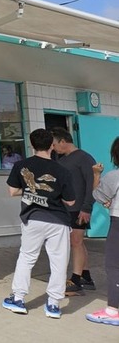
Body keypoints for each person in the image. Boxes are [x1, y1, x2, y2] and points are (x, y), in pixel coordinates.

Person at [3, 128, 75, 319]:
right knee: (59, 261)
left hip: (32, 218)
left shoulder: (21, 165)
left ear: (31, 144)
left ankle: (18, 299)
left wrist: (31, 192)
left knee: (27, 257)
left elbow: (12, 191)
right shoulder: (62, 170)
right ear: (52, 144)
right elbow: (70, 202)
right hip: (58, 221)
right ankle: (53, 305)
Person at [51, 127, 98, 296]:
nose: (54, 148)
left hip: (79, 209)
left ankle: (76, 280)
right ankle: (86, 276)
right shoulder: (60, 158)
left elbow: (93, 184)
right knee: (77, 242)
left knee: (76, 242)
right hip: (65, 208)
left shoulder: (84, 158)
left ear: (63, 141)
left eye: (55, 144)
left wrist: (87, 207)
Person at [85, 137, 119, 326]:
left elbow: (98, 195)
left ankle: (113, 310)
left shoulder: (115, 176)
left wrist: (97, 175)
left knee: (114, 265)